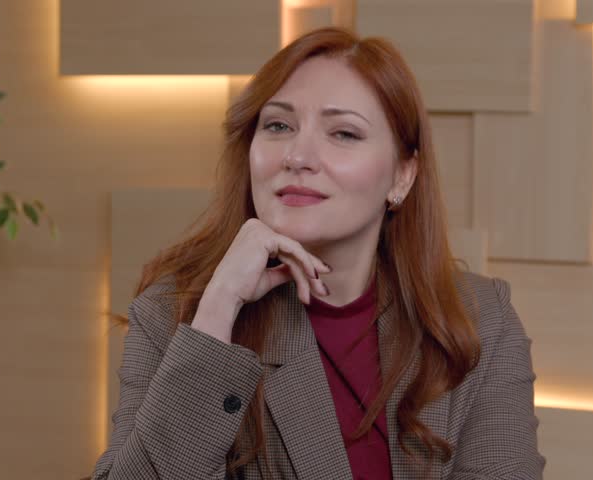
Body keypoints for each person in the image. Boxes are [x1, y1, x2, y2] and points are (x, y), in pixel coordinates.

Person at [91, 26, 545, 480]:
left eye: (344, 133)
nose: (298, 155)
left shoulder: (481, 320)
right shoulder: (172, 316)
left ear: (402, 176)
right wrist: (217, 309)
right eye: (278, 125)